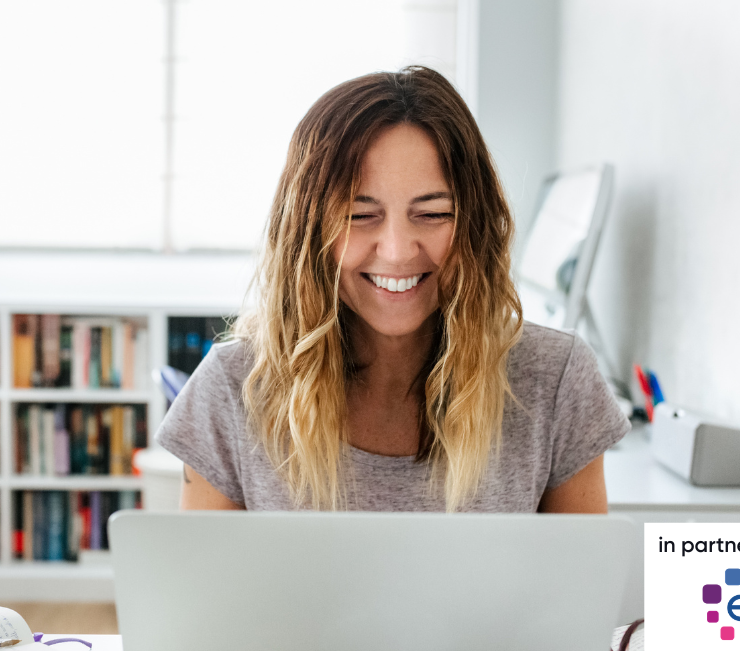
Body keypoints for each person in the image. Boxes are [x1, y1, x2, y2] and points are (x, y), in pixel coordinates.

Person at [156, 66, 629, 513]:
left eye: (433, 213)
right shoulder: (231, 387)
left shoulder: (557, 380)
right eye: (359, 215)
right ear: (306, 232)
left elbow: (582, 592)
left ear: (474, 225)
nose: (399, 251)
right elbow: (201, 598)